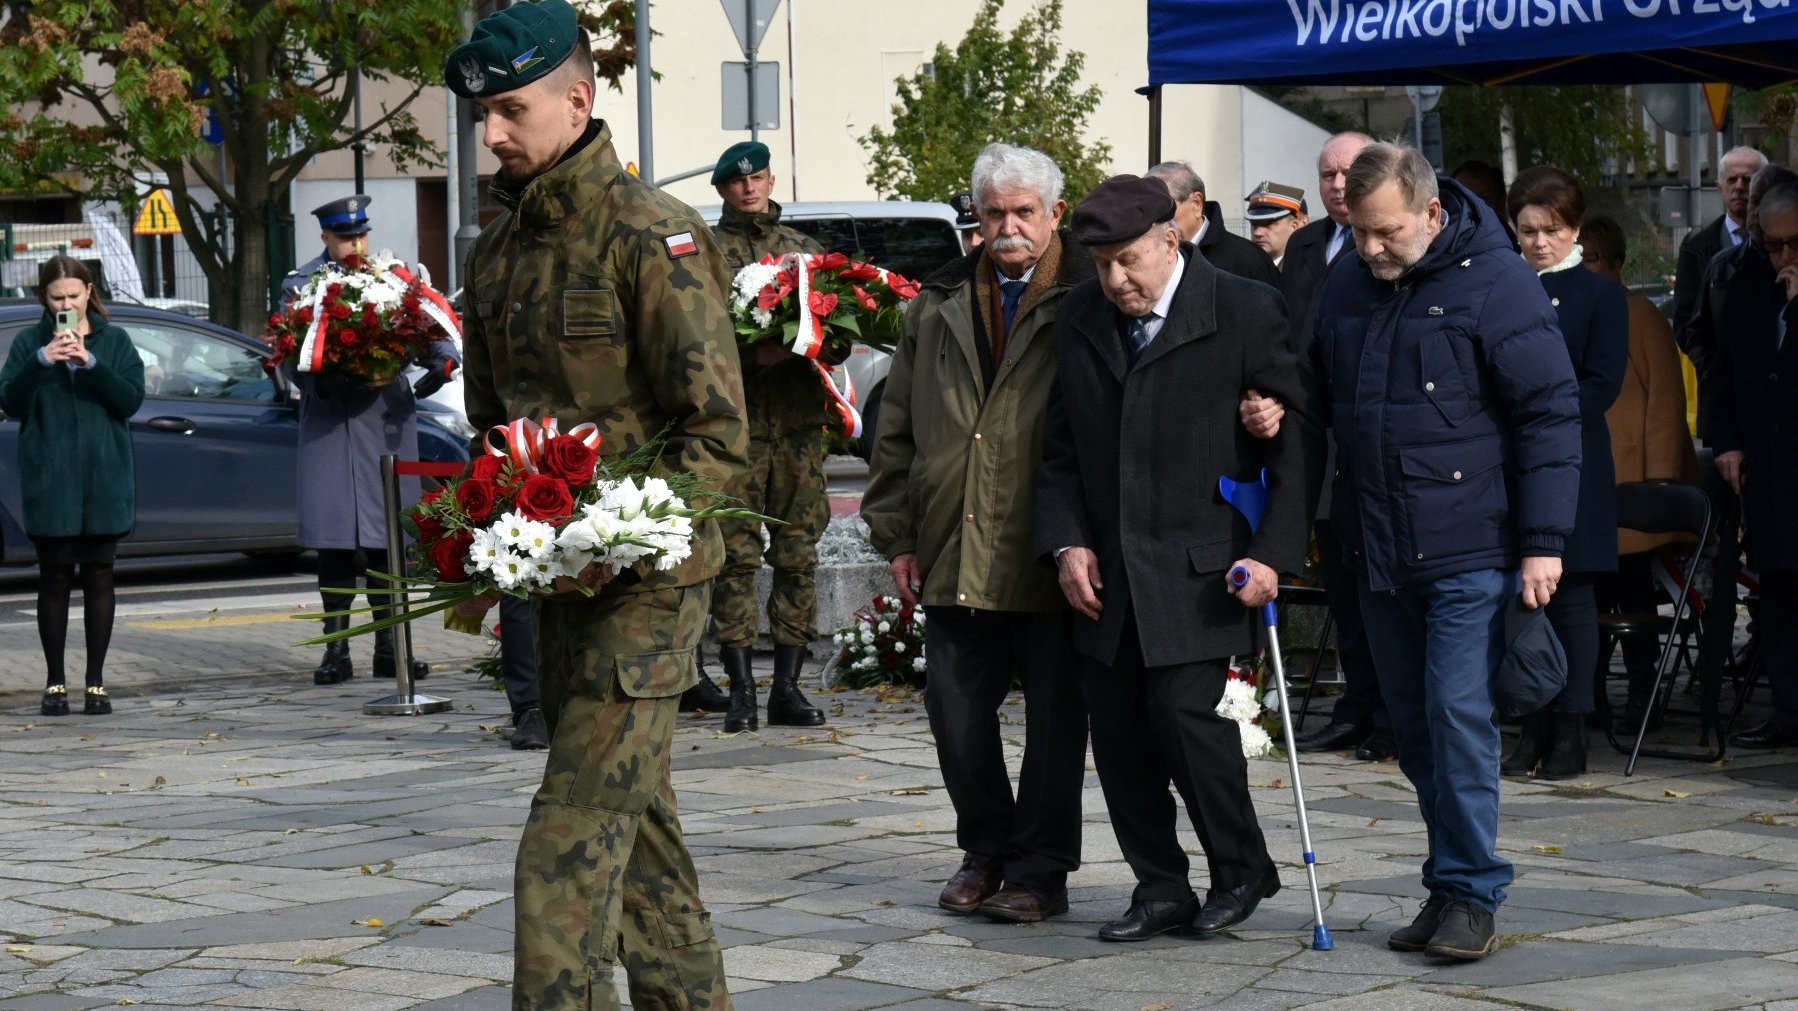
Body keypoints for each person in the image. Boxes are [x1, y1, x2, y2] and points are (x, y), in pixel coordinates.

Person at [445, 0, 748, 1005]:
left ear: (577, 100)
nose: (491, 132)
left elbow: (716, 434)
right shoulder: (492, 256)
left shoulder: (651, 237)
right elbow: (496, 433)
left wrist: (627, 534)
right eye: (480, 113)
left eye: (511, 110)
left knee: (563, 861)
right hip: (559, 601)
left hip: (648, 594)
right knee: (641, 853)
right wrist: (498, 537)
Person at [1034, 174, 1320, 942]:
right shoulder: (1084, 314)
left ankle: (1241, 868)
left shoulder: (1242, 305)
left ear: (1170, 239)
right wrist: (1066, 543)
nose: (1115, 280)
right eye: (1100, 265)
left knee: (1190, 723)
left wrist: (1273, 555)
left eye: (1128, 260)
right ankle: (1159, 884)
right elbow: (1059, 448)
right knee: (1121, 734)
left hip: (1205, 565)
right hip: (1109, 568)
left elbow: (1294, 440)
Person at [1311, 144, 1580, 960]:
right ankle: (1447, 879)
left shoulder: (1495, 282)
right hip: (1379, 550)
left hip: (1474, 548)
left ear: (1431, 213)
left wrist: (1542, 544)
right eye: (1358, 233)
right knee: (1416, 728)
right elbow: (1317, 392)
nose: (1370, 249)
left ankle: (1472, 891)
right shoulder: (1351, 283)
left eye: (1385, 232)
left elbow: (1550, 412)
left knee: (1459, 716)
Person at [862, 143, 1090, 925]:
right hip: (954, 541)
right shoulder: (938, 301)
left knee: (1056, 724)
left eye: (1025, 211)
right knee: (956, 715)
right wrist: (895, 532)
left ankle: (1041, 870)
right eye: (994, 212)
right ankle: (985, 849)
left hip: (1051, 545)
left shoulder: (1087, 293)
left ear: (1055, 212)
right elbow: (895, 429)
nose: (1008, 227)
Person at [287, 196, 457, 687]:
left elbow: (428, 322)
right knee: (334, 543)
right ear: (325, 238)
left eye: (360, 234)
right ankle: (334, 650)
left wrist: (443, 361)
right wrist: (322, 381)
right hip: (331, 421)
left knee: (389, 543)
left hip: (385, 417)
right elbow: (289, 348)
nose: (355, 244)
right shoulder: (302, 286)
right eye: (344, 237)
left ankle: (392, 648)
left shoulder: (393, 277)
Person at [1496, 166, 1627, 781]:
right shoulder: (1500, 288)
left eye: (1551, 230)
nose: (1538, 242)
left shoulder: (1600, 295)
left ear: (1574, 229)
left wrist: (1540, 406)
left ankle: (1572, 728)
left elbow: (1603, 382)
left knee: (1571, 600)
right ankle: (1531, 724)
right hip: (1509, 464)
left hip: (1574, 463)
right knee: (1521, 601)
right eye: (1526, 230)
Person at [1276, 131, 1396, 763]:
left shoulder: (1392, 248)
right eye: (1326, 174)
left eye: (1349, 172)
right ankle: (1355, 707)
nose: (1336, 184)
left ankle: (1389, 716)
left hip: (1370, 438)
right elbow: (1288, 335)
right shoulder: (1302, 245)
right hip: (1313, 441)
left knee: (1381, 590)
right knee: (1343, 590)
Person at [703, 139, 829, 733]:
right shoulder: (706, 253)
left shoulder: (805, 253)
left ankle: (787, 688)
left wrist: (804, 344)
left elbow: (839, 333)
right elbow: (694, 338)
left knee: (798, 555)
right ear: (723, 190)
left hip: (800, 429)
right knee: (733, 558)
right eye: (736, 182)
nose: (749, 189)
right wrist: (755, 352)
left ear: (773, 180)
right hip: (737, 431)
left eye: (758, 179)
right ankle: (740, 691)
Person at [0, 255, 145, 717]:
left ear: (89, 292)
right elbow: (12, 401)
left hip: (103, 477)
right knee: (55, 577)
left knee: (100, 574)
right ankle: (54, 681)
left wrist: (91, 362)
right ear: (44, 298)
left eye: (74, 296)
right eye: (56, 297)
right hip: (52, 476)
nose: (66, 304)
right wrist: (43, 362)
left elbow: (129, 401)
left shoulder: (115, 340)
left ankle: (96, 682)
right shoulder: (28, 343)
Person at [1579, 216, 1700, 735]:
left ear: (1615, 263)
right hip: (1594, 483)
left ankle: (1643, 693)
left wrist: (1660, 486)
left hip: (1634, 483)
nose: (1583, 269)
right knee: (1592, 597)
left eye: (1592, 259)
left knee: (1632, 593)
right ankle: (1594, 694)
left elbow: (1666, 407)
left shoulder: (1640, 314)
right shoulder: (1578, 312)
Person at [1706, 180, 1798, 750]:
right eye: (1773, 244)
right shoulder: (1747, 284)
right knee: (1779, 591)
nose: (1784, 257)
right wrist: (1728, 443)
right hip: (1769, 466)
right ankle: (1789, 709)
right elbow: (1725, 369)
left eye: (1795, 244)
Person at [1673, 146, 1767, 378]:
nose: (1739, 187)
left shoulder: (1785, 244)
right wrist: (1713, 369)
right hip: (1721, 389)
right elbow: (1685, 323)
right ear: (1719, 187)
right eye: (1732, 179)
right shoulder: (1696, 249)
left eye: (1748, 179)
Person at [1146, 161, 1281, 286]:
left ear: (1196, 203)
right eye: (1148, 209)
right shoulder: (1147, 257)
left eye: (1164, 207)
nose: (1154, 218)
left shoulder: (1247, 260)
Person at [283, 194, 373, 298]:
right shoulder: (300, 283)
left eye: (362, 234)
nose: (357, 243)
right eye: (347, 236)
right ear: (326, 239)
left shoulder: (384, 275)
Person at [1243, 180, 1309, 269]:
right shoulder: (1244, 267)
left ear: (1294, 227)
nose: (1257, 233)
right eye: (1254, 224)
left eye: (1268, 224)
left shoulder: (1304, 269)